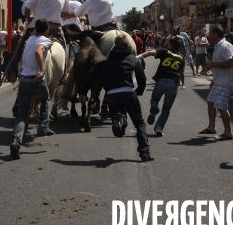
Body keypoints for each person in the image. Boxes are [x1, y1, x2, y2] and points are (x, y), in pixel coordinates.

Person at [79, 34, 153, 162]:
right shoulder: (131, 59)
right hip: (128, 92)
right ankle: (144, 153)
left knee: (118, 131)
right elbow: (142, 77)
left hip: (112, 95)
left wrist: (83, 92)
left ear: (114, 46)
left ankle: (120, 117)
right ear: (128, 46)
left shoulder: (104, 61)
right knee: (139, 123)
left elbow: (90, 75)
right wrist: (138, 91)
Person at [10, 19, 55, 160]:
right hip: (36, 80)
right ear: (47, 29)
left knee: (22, 115)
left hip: (24, 79)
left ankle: (16, 140)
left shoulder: (29, 39)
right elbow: (38, 51)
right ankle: (43, 126)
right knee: (45, 98)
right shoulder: (45, 41)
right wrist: (42, 71)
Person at [140, 36, 185, 136]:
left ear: (170, 45)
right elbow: (181, 72)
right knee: (166, 108)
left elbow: (151, 52)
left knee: (155, 98)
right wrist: (182, 83)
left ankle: (154, 107)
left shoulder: (164, 52)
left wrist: (138, 57)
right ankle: (159, 128)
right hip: (173, 83)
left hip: (162, 80)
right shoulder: (182, 57)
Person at [199, 25, 233, 141]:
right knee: (211, 101)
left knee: (221, 106)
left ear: (215, 34)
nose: (208, 35)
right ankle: (212, 127)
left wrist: (214, 65)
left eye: (210, 33)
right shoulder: (217, 46)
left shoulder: (225, 46)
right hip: (219, 81)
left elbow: (231, 63)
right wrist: (214, 80)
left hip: (226, 82)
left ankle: (228, 132)